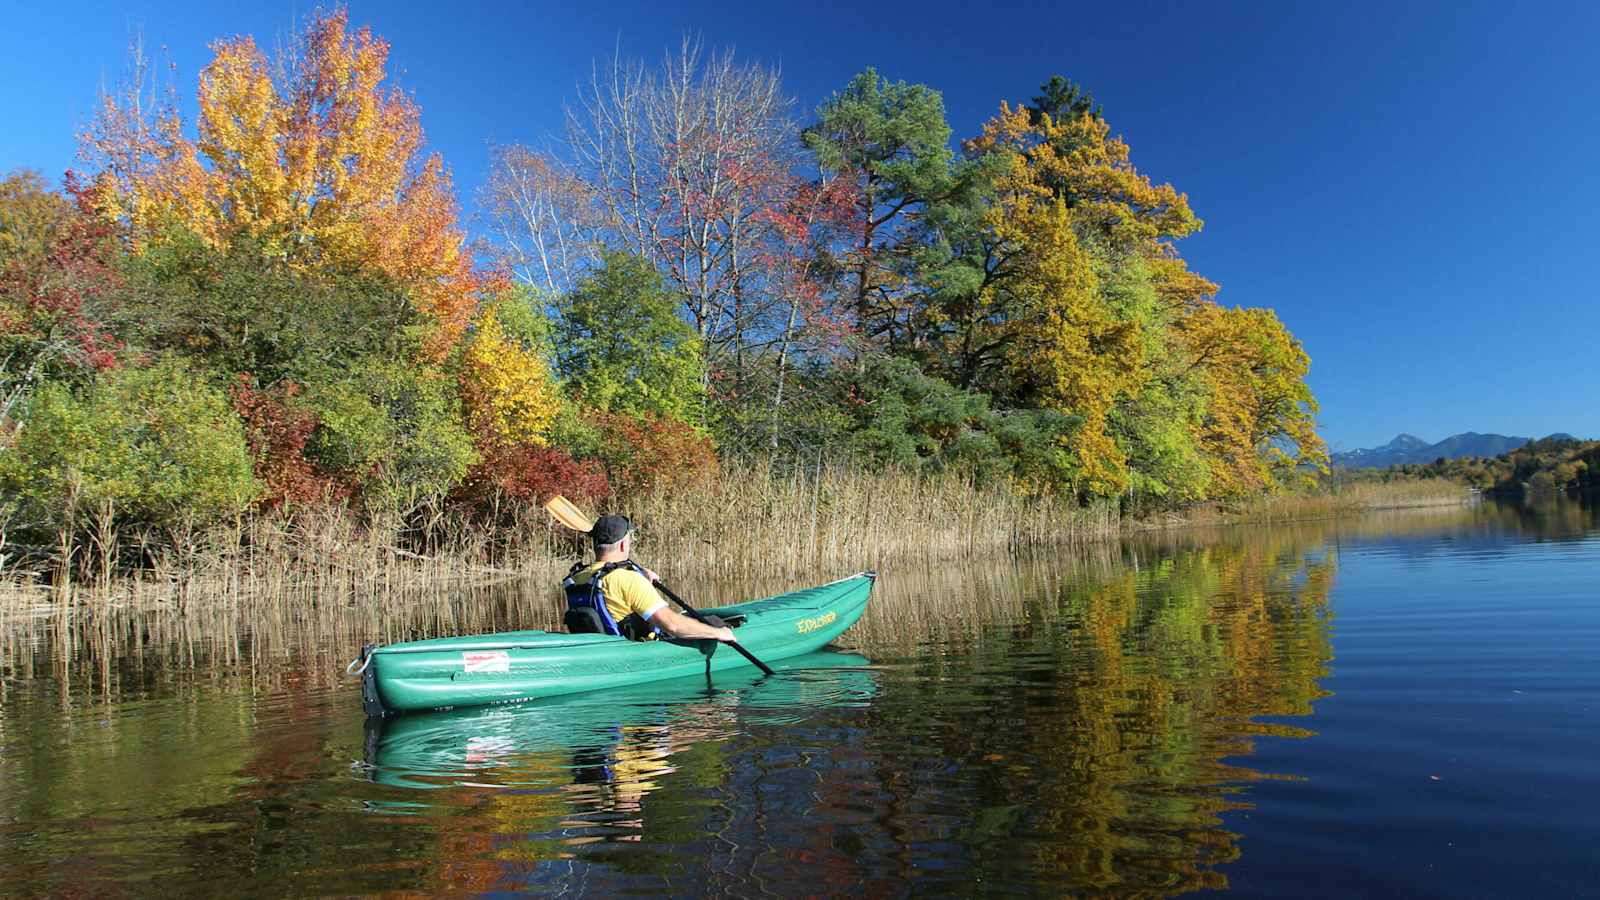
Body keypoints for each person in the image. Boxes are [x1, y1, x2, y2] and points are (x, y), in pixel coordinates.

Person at [563, 514, 736, 643]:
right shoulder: (629, 580)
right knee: (713, 623)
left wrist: (641, 573)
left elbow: (610, 576)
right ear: (623, 544)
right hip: (639, 647)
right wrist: (719, 633)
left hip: (605, 647)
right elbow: (672, 625)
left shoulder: (578, 577)